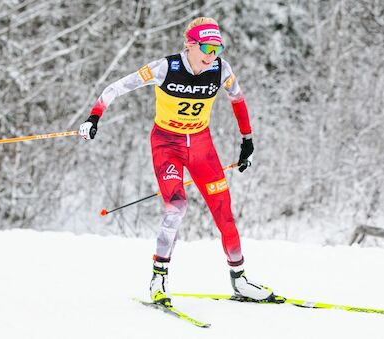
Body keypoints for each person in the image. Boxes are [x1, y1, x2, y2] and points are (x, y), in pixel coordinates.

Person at [79, 17, 279, 305]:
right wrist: (94, 117)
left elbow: (238, 100)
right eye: (207, 48)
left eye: (218, 49)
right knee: (177, 207)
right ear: (190, 45)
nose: (212, 56)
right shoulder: (166, 67)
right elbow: (116, 88)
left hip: (201, 147)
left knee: (224, 212)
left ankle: (241, 281)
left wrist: (247, 141)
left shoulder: (221, 70)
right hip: (167, 145)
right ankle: (158, 278)